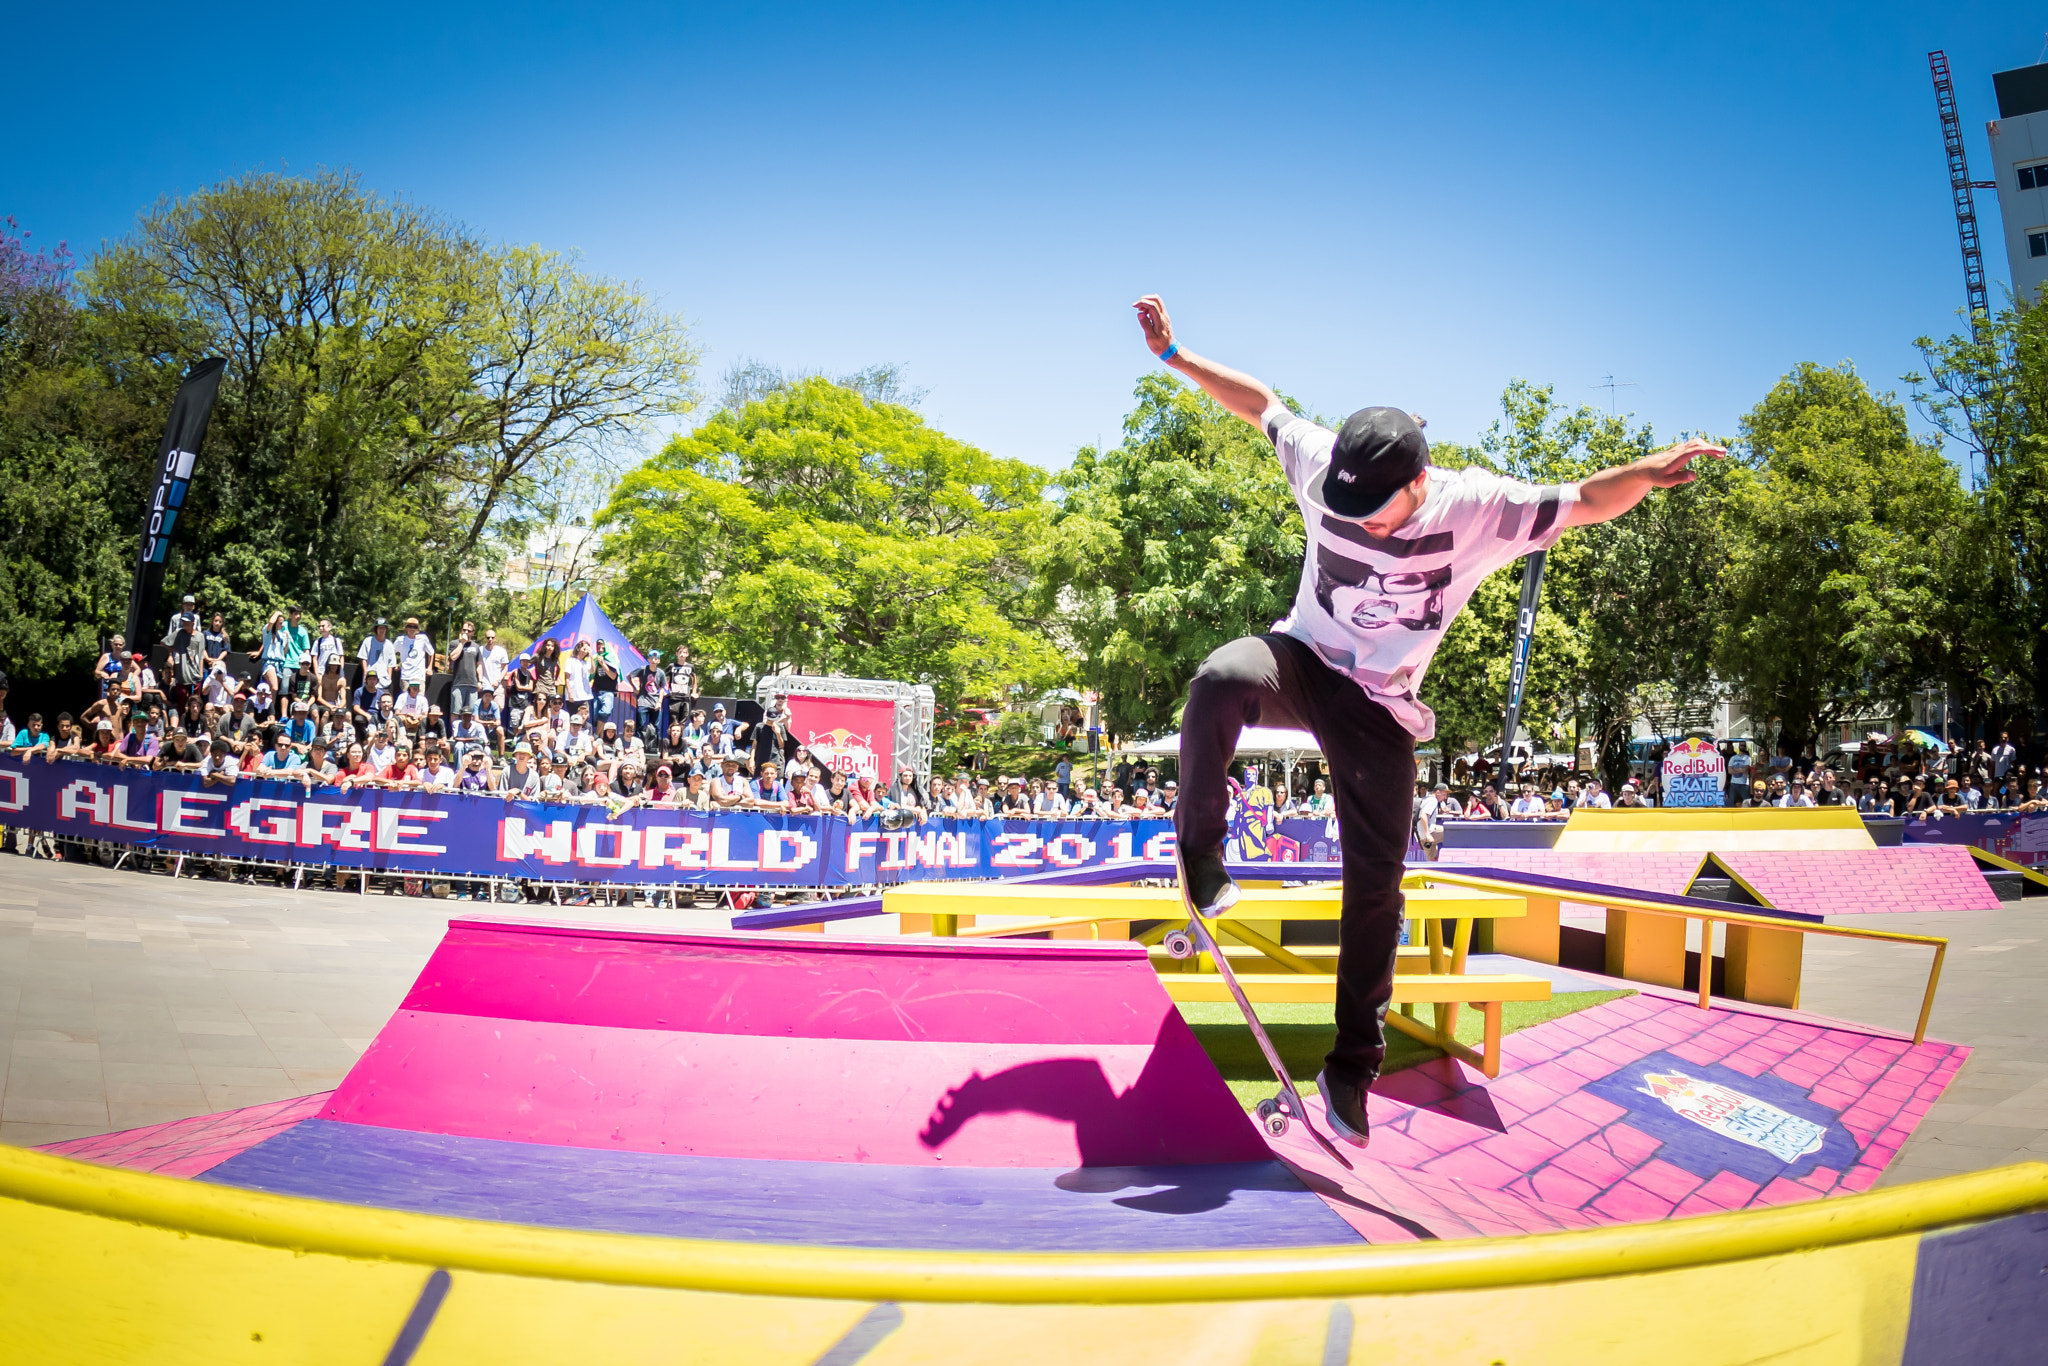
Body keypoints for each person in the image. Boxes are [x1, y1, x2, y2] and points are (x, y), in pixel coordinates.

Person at [1134, 293, 1725, 1147]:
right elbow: (1263, 406)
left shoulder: (1476, 506)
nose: (1357, 523)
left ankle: (1349, 1072)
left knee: (1375, 884)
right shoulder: (1321, 466)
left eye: (1377, 512)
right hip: (1302, 661)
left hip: (1379, 706)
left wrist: (1646, 470)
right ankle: (1199, 858)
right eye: (1348, 509)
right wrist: (1176, 355)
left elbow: (1585, 499)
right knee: (1220, 676)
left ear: (1419, 482)